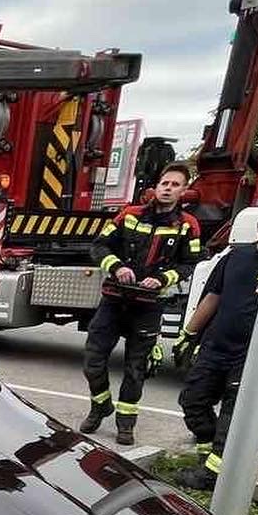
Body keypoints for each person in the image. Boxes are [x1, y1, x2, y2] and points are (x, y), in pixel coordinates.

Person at [174, 200, 258, 492]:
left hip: (253, 354)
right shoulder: (235, 257)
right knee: (192, 400)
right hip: (216, 346)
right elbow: (212, 297)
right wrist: (188, 334)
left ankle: (213, 474)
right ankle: (210, 454)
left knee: (232, 412)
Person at [80, 163, 202, 446]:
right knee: (92, 361)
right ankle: (100, 406)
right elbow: (99, 246)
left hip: (148, 306)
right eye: (165, 183)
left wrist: (161, 279)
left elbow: (189, 263)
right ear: (156, 186)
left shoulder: (187, 226)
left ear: (184, 191)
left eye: (175, 184)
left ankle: (126, 423)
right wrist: (117, 267)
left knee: (136, 369)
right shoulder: (129, 215)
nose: (168, 188)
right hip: (114, 299)